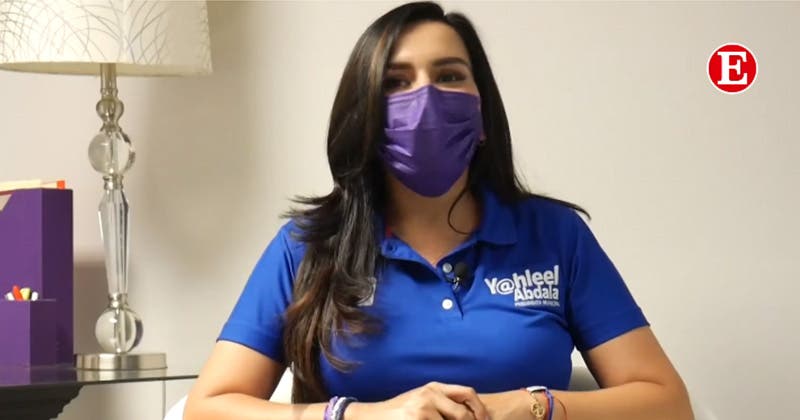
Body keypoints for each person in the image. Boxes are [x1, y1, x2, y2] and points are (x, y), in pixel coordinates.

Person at [185, 2, 693, 420]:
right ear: (364, 114)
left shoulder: (556, 235)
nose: (425, 97)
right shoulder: (309, 245)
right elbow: (207, 409)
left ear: (482, 111)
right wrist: (365, 416)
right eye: (395, 82)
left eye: (449, 75)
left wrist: (531, 405)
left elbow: (668, 403)